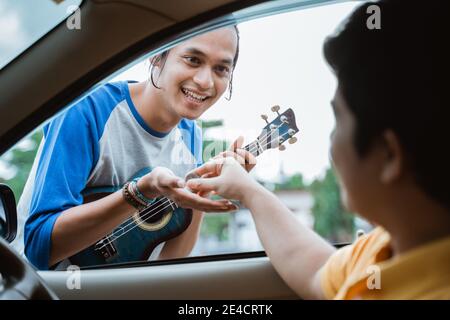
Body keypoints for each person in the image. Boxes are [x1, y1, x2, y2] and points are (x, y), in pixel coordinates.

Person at [186, 0, 450, 299]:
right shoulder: (383, 248)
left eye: (338, 121)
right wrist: (247, 190)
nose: (332, 147)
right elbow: (315, 270)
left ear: (390, 155)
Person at [15, 26, 255, 270]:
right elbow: (38, 247)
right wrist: (140, 193)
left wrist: (205, 189)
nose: (205, 82)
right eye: (193, 60)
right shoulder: (88, 110)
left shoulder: (191, 135)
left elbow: (169, 262)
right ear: (156, 54)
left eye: (221, 69)